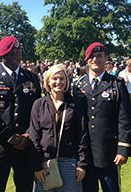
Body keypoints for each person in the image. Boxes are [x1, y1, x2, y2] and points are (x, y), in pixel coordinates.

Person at [0, 36, 41, 192]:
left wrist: (28, 135)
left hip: (25, 147)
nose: (16, 56)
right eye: (11, 52)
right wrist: (9, 137)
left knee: (25, 187)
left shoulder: (31, 78)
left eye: (18, 52)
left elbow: (36, 111)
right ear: (2, 54)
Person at [73, 42, 131, 192]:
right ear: (87, 60)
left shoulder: (116, 84)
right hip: (85, 153)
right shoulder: (79, 86)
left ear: (106, 58)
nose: (95, 60)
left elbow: (124, 118)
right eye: (91, 57)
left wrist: (123, 149)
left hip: (109, 152)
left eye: (99, 56)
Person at [29, 64, 89, 192]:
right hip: (45, 164)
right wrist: (37, 166)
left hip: (70, 163)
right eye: (55, 78)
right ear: (48, 81)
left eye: (62, 79)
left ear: (66, 81)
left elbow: (82, 136)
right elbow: (34, 136)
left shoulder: (75, 105)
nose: (58, 82)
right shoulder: (39, 105)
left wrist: (82, 165)